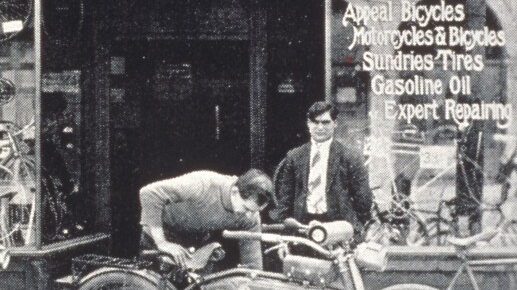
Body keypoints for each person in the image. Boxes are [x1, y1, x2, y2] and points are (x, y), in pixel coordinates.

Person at [270, 101, 373, 239]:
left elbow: (363, 199)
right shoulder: (294, 156)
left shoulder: (349, 157)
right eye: (315, 122)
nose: (320, 127)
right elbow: (285, 199)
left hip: (337, 226)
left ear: (335, 123)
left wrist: (354, 226)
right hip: (303, 225)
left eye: (325, 123)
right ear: (308, 123)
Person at [139, 169, 275, 270]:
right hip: (161, 233)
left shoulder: (250, 215)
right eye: (247, 209)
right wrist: (162, 242)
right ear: (234, 192)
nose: (249, 216)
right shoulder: (203, 184)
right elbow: (149, 193)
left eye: (255, 211)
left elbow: (253, 265)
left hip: (195, 242)